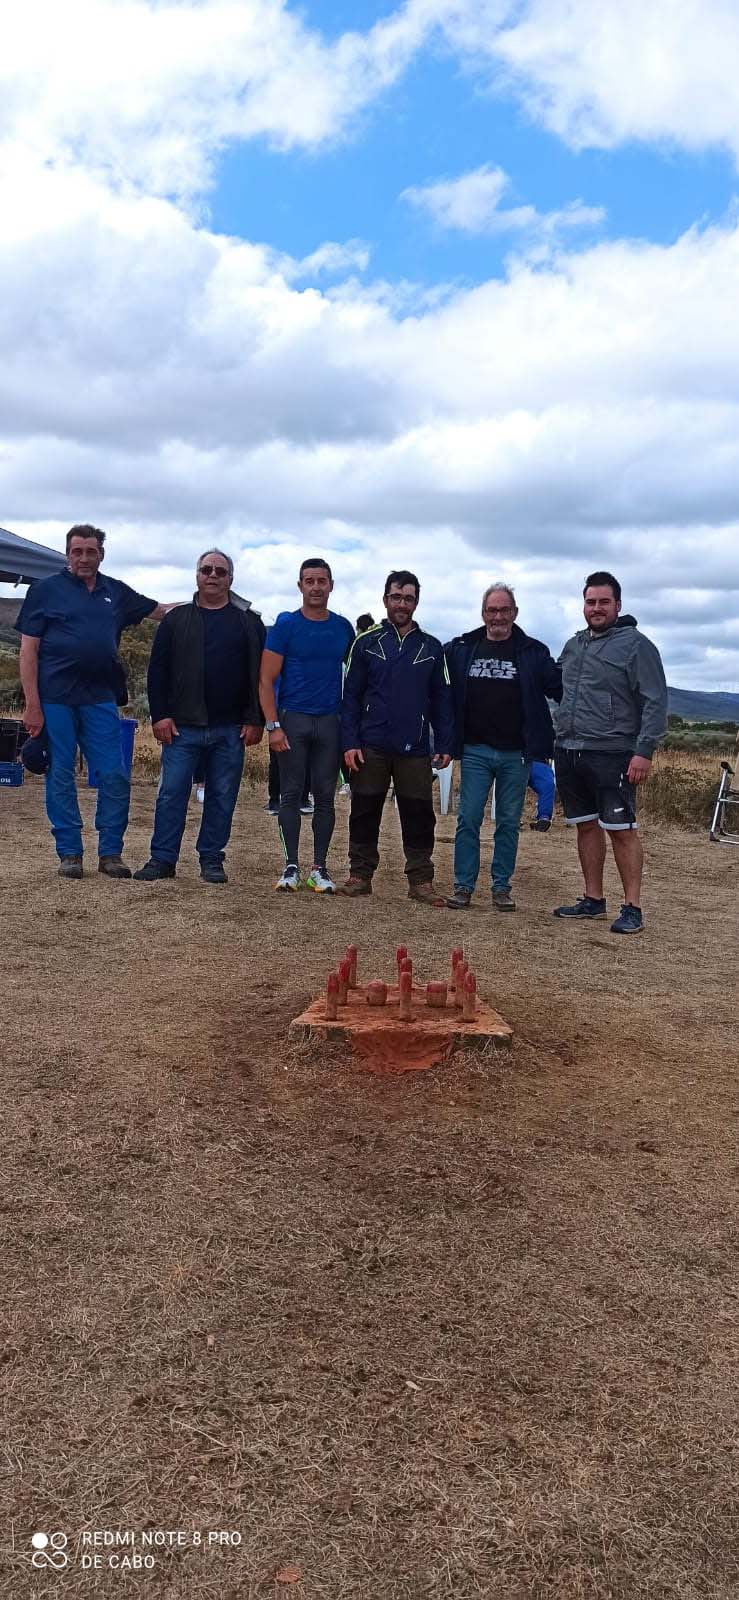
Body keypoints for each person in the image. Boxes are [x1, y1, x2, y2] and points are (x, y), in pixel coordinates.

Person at [16, 523, 173, 879]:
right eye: (77, 551)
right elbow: (28, 651)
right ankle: (70, 853)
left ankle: (110, 853)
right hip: (55, 698)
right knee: (60, 773)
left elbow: (160, 611)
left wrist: (208, 601)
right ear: (67, 554)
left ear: (101, 555)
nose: (84, 558)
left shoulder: (114, 591)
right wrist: (32, 704)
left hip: (100, 698)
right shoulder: (45, 591)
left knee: (114, 774)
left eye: (91, 552)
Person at [134, 550, 264, 885]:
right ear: (197, 576)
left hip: (231, 728)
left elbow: (260, 676)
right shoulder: (176, 619)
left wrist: (256, 719)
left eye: (220, 571)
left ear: (230, 579)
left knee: (222, 797)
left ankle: (211, 859)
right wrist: (160, 715)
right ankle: (162, 859)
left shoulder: (248, 623)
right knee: (171, 795)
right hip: (182, 726)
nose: (213, 576)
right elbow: (157, 671)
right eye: (207, 570)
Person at [553, 570, 667, 934]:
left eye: (604, 602)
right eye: (591, 602)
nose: (596, 608)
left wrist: (644, 751)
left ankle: (632, 907)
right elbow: (557, 688)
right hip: (569, 749)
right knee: (586, 826)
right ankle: (593, 900)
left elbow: (655, 700)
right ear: (583, 605)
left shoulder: (637, 646)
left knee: (621, 829)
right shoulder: (573, 645)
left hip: (614, 752)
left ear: (618, 604)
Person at [445, 584, 562, 911]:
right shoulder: (462, 648)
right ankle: (463, 886)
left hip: (516, 753)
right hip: (475, 750)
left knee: (509, 822)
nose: (498, 616)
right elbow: (437, 687)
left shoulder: (533, 652)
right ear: (483, 613)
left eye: (504, 610)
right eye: (492, 610)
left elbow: (561, 688)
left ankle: (501, 887)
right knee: (468, 819)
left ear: (515, 613)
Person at [339, 570, 453, 905]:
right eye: (396, 597)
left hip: (414, 747)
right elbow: (350, 697)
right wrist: (350, 742)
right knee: (364, 811)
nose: (402, 604)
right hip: (370, 744)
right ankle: (360, 876)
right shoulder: (366, 643)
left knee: (419, 815)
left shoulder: (431, 647)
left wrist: (444, 743)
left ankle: (421, 881)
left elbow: (442, 698)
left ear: (416, 602)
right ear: (385, 599)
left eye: (408, 598)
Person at [259, 558, 354, 893]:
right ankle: (291, 867)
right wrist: (273, 726)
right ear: (300, 585)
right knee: (290, 793)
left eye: (321, 581)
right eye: (309, 581)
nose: (316, 587)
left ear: (331, 585)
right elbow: (265, 679)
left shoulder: (343, 628)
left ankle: (319, 868)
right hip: (293, 719)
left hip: (330, 722)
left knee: (325, 796)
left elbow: (355, 678)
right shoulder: (286, 625)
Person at [528, 760, 556, 831]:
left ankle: (544, 818)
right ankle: (511, 818)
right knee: (512, 785)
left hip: (538, 760)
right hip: (514, 759)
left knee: (547, 784)